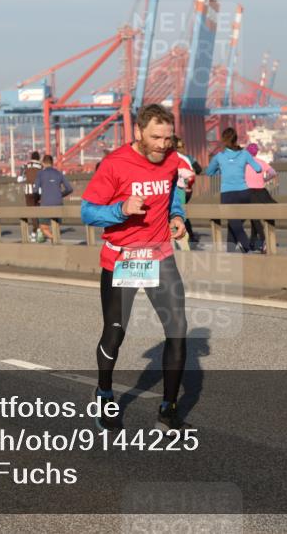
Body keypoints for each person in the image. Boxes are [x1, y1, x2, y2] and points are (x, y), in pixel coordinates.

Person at [80, 103, 189, 433]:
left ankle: (167, 409)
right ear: (139, 132)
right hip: (124, 257)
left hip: (160, 255)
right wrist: (121, 210)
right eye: (156, 137)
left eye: (168, 138)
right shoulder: (115, 164)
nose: (162, 145)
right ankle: (104, 393)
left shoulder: (172, 160)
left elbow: (174, 194)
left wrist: (177, 217)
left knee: (177, 332)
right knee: (115, 334)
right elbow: (87, 212)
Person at [204, 128, 262, 253]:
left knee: (235, 224)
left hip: (228, 195)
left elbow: (208, 172)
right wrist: (242, 165)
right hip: (244, 193)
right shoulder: (245, 154)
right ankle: (230, 251)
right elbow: (258, 169)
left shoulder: (219, 156)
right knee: (234, 223)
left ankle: (247, 249)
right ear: (236, 139)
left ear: (224, 141)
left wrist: (222, 170)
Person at [244, 143, 277, 253]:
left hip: (249, 192)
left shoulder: (244, 164)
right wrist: (265, 180)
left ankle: (264, 240)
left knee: (254, 217)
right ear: (256, 152)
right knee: (256, 216)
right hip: (262, 192)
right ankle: (253, 241)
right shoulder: (261, 162)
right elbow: (273, 173)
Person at [35, 155, 73, 243]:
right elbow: (69, 189)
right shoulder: (59, 173)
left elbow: (35, 190)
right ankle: (55, 242)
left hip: (45, 203)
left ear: (43, 163)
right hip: (58, 203)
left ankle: (53, 239)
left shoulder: (40, 174)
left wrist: (38, 198)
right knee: (56, 226)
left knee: (43, 227)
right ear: (52, 163)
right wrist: (61, 195)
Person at [173, 136, 202, 249]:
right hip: (186, 188)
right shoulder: (189, 157)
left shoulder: (182, 158)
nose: (181, 148)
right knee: (181, 212)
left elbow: (194, 172)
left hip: (181, 189)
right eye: (180, 147)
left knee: (179, 212)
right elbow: (198, 169)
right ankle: (189, 235)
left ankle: (186, 236)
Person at [18, 152, 43, 242]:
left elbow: (19, 179)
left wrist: (27, 179)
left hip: (28, 191)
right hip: (39, 191)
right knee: (38, 211)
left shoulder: (25, 166)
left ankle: (35, 232)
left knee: (31, 212)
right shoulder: (41, 166)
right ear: (39, 158)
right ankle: (36, 231)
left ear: (31, 157)